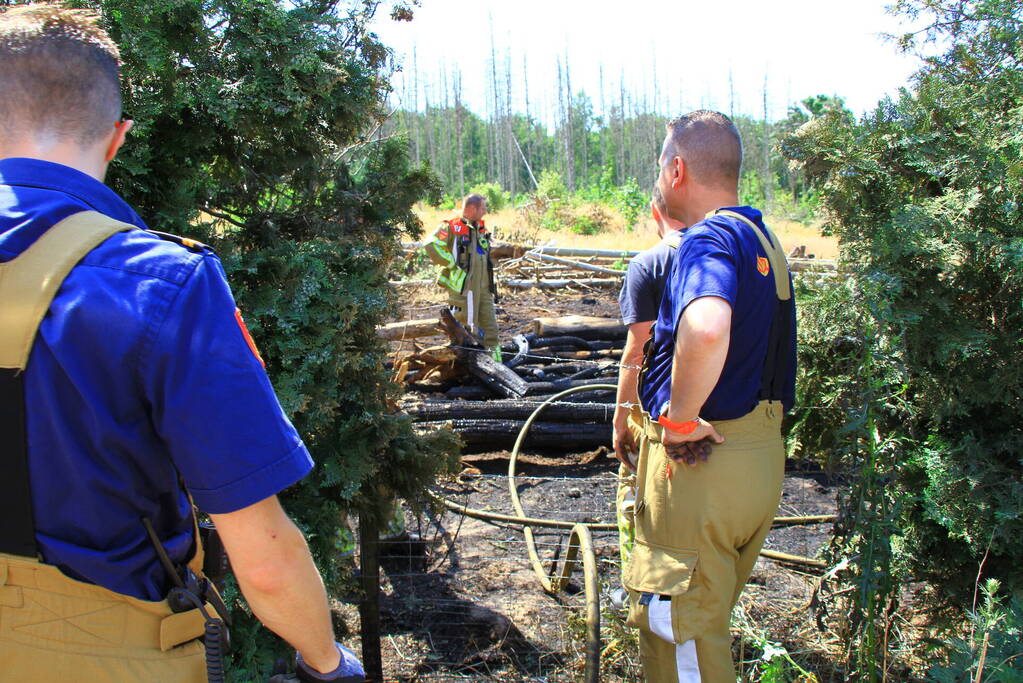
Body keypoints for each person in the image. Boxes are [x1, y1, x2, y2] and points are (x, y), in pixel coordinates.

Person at [0, 6, 361, 681]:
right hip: (98, 652)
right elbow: (261, 553)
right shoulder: (162, 282)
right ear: (117, 138)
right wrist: (326, 660)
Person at [624, 110, 796, 682]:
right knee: (705, 625)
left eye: (657, 166)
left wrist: (678, 419)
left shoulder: (710, 237)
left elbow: (705, 327)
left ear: (677, 170)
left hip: (704, 467)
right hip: (756, 456)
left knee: (681, 639)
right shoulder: (759, 235)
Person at [611, 185, 687, 592]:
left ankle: (635, 591)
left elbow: (637, 349)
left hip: (654, 409)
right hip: (711, 412)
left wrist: (622, 415)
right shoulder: (723, 257)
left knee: (633, 495)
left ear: (656, 214)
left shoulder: (650, 264)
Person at [423, 193, 502, 360]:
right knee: (464, 331)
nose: (485, 211)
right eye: (482, 208)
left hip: (484, 290)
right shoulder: (452, 227)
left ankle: (497, 366)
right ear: (472, 208)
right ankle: (463, 368)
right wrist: (451, 264)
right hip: (464, 292)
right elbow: (430, 243)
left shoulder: (480, 228)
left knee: (491, 331)